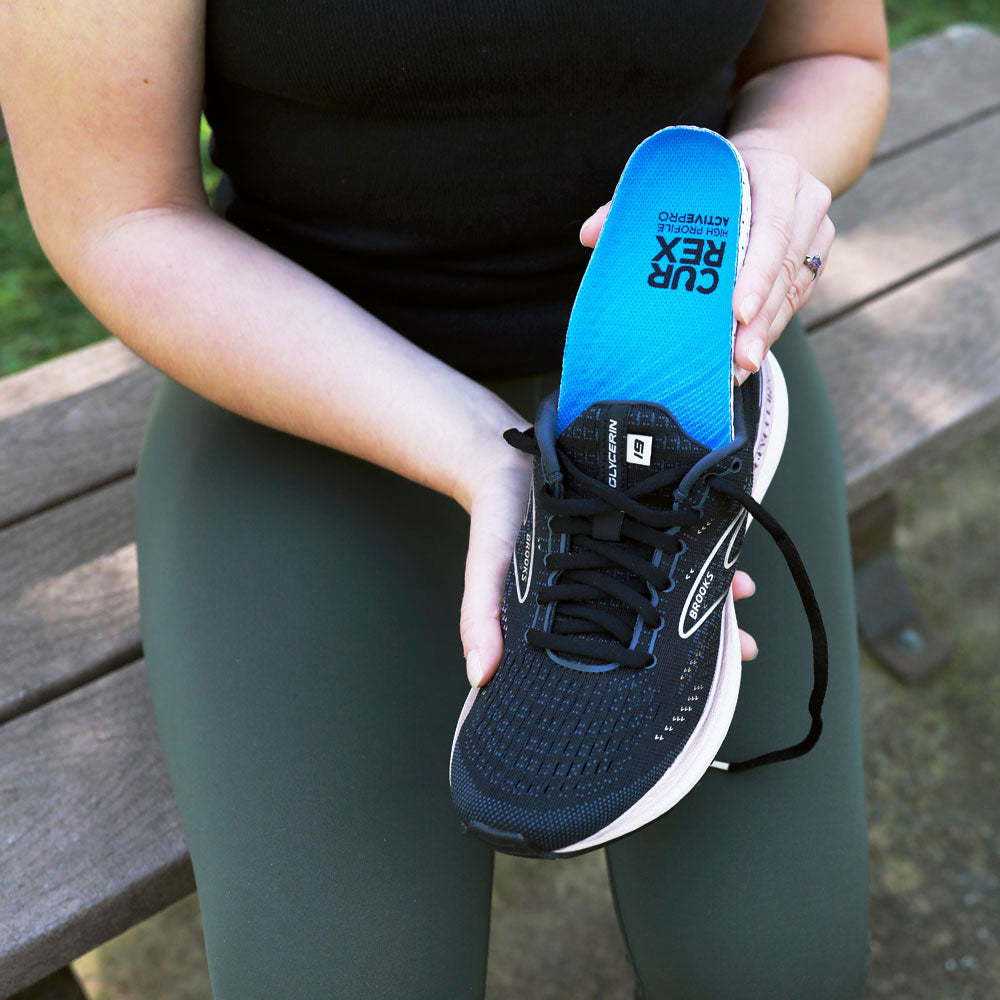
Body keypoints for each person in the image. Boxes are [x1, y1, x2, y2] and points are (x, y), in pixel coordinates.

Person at [0, 1, 889, 996]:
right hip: (307, 385)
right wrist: (485, 453)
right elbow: (118, 211)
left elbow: (832, 54)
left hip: (687, 401)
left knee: (775, 966)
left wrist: (772, 164)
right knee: (346, 978)